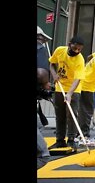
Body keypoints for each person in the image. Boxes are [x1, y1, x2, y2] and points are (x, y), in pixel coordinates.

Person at [48, 36, 85, 149]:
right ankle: (60, 140)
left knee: (72, 114)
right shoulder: (59, 50)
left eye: (79, 49)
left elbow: (77, 79)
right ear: (69, 44)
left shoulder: (80, 59)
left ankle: (71, 139)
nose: (77, 51)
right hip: (60, 86)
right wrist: (54, 75)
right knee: (60, 114)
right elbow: (52, 64)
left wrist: (69, 93)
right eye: (75, 48)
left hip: (74, 88)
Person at [36, 26, 51, 169]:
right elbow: (41, 73)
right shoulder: (39, 48)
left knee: (40, 125)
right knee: (42, 155)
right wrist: (46, 83)